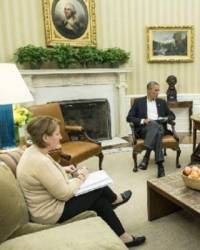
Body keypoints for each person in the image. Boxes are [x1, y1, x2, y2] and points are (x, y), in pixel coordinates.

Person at [16, 116, 146, 248]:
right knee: (97, 187)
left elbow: (45, 173)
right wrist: (81, 177)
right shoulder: (40, 162)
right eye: (57, 134)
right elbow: (64, 194)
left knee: (99, 201)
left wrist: (63, 168)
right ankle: (115, 200)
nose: (61, 137)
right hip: (51, 213)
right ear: (45, 138)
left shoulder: (34, 151)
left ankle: (122, 235)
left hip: (48, 205)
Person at [126, 81, 175, 178]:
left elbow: (172, 115)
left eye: (158, 91)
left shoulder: (162, 102)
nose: (157, 93)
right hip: (145, 129)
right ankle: (159, 166)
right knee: (156, 128)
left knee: (158, 128)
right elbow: (129, 118)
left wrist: (165, 119)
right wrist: (143, 120)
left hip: (159, 125)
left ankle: (147, 157)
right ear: (148, 90)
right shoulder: (138, 102)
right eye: (155, 90)